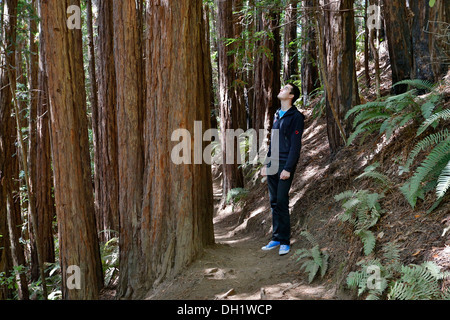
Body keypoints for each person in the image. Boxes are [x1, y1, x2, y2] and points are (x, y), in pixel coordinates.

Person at [261, 83, 305, 256]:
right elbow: (274, 142)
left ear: (292, 96)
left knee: (281, 200)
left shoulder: (296, 117)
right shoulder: (277, 115)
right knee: (273, 202)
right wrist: (266, 163)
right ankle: (276, 237)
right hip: (273, 163)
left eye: (285, 88)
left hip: (285, 164)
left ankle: (285, 241)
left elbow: (296, 146)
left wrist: (288, 168)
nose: (281, 89)